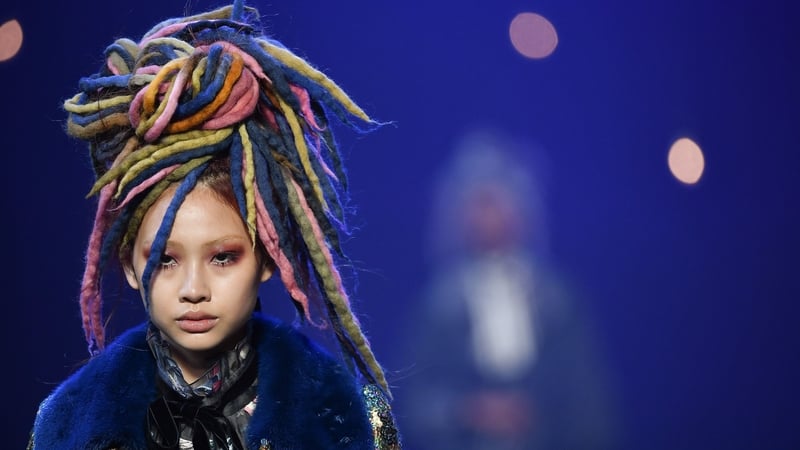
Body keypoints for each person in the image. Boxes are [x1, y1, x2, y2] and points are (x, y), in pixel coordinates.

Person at [27, 2, 400, 449]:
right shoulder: (66, 425)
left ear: (267, 254)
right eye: (165, 260)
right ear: (128, 264)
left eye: (223, 257)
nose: (193, 288)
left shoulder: (351, 420)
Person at [399, 129, 619, 450]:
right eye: (478, 203)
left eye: (498, 202)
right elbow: (411, 402)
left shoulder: (557, 302)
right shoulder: (438, 306)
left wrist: (537, 413)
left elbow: (588, 400)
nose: (489, 215)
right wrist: (469, 412)